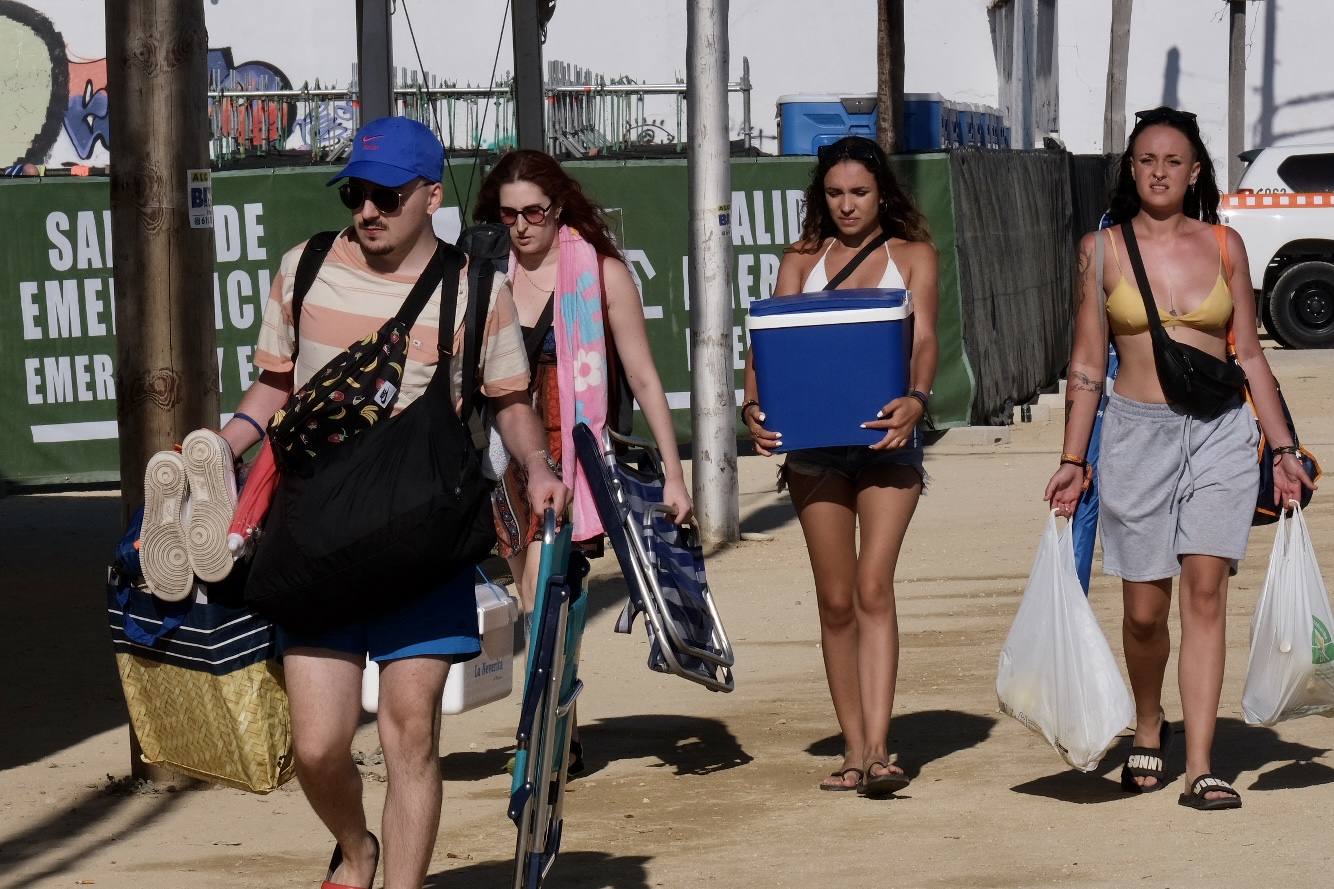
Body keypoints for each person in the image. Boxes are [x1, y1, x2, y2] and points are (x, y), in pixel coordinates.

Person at [207, 117, 568, 889]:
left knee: (411, 735)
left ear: (431, 196)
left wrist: (537, 463)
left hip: (422, 543)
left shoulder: (476, 285)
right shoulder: (302, 269)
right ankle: (356, 845)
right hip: (317, 539)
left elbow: (509, 400)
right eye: (357, 194)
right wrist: (219, 449)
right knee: (317, 745)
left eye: (388, 196)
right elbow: (273, 385)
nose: (368, 211)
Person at [1045, 107, 1315, 812]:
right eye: (1146, 160)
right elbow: (1083, 364)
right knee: (1143, 610)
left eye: (1173, 160)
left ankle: (1200, 764)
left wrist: (1283, 447)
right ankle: (1147, 718)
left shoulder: (1225, 245)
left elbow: (1250, 354)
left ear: (1195, 171)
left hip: (1220, 432)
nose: (1159, 171)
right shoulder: (1099, 249)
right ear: (1130, 171)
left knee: (1205, 588)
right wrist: (1075, 457)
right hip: (1135, 434)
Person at [472, 148, 693, 775]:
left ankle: (541, 736)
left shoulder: (599, 273)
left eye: (534, 212)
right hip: (503, 455)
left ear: (559, 207)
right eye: (508, 213)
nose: (521, 226)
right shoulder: (487, 272)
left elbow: (645, 379)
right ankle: (559, 725)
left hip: (576, 459)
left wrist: (674, 477)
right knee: (536, 598)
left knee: (546, 599)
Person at [742, 135, 939, 796]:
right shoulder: (801, 258)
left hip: (888, 441)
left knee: (872, 585)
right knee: (834, 599)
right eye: (835, 193)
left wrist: (917, 400)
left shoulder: (912, 256)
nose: (847, 204)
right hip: (814, 446)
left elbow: (928, 338)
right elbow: (766, 342)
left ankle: (881, 749)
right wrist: (752, 406)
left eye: (858, 191)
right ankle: (853, 750)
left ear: (882, 190)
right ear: (820, 197)